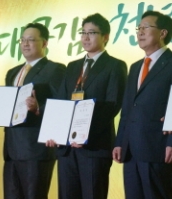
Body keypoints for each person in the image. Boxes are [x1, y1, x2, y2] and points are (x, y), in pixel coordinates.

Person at [47, 13, 127, 199]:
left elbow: (112, 105)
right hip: (66, 148)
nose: (86, 37)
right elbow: (60, 102)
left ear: (105, 37)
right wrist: (55, 132)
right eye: (83, 32)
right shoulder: (72, 66)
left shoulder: (115, 66)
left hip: (94, 146)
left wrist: (84, 134)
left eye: (92, 32)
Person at [113, 10, 172, 199]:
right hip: (131, 149)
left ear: (163, 33)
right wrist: (120, 142)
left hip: (158, 147)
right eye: (139, 28)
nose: (140, 32)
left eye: (146, 27)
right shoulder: (135, 66)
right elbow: (127, 108)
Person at [0, 22, 66, 199]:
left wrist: (38, 108)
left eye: (31, 40)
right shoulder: (13, 72)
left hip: (35, 147)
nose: (25, 44)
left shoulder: (55, 69)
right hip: (11, 148)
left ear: (45, 43)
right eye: (22, 40)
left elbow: (61, 104)